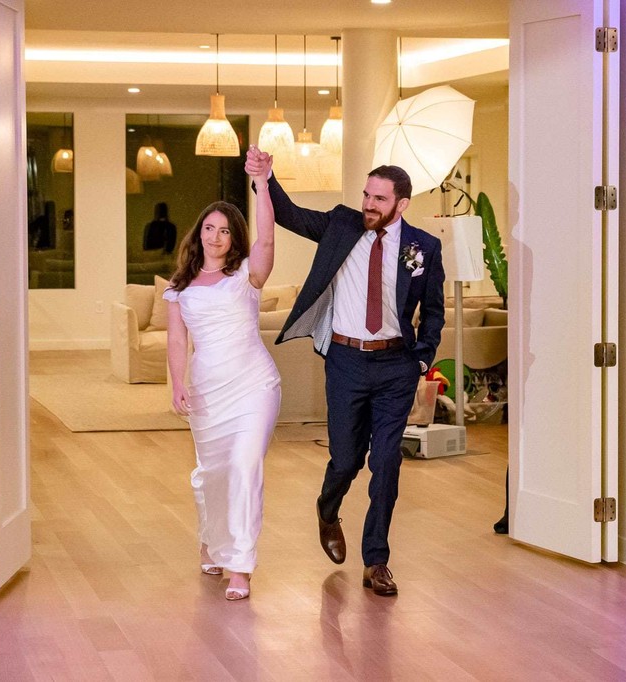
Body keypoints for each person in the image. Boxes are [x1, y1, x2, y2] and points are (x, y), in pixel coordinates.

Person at [245, 149, 445, 596]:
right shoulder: (341, 224)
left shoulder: (423, 248)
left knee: (387, 462)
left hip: (396, 365)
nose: (369, 205)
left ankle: (376, 561)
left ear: (402, 204)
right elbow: (290, 215)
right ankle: (328, 507)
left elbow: (433, 312)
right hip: (346, 361)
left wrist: (421, 359)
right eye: (366, 195)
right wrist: (265, 177)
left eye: (379, 198)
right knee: (347, 459)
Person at [163, 147, 280, 601]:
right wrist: (177, 384)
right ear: (199, 234)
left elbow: (267, 241)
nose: (215, 236)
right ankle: (211, 541)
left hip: (254, 384)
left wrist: (263, 184)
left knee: (244, 465)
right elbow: (178, 342)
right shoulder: (179, 289)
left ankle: (240, 567)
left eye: (225, 230)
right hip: (207, 390)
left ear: (236, 238)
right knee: (212, 472)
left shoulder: (249, 275)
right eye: (209, 228)